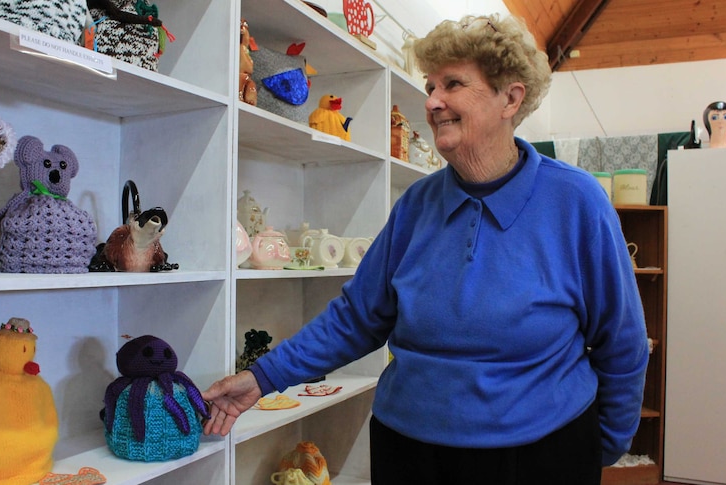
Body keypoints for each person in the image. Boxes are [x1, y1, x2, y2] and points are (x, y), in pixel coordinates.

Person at [202, 13, 648, 485]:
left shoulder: (576, 201)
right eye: (430, 86)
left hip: (540, 453)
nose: (432, 102)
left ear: (510, 98)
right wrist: (262, 378)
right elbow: (357, 318)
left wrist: (604, 444)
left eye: (452, 84)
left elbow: (622, 341)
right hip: (410, 450)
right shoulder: (416, 204)